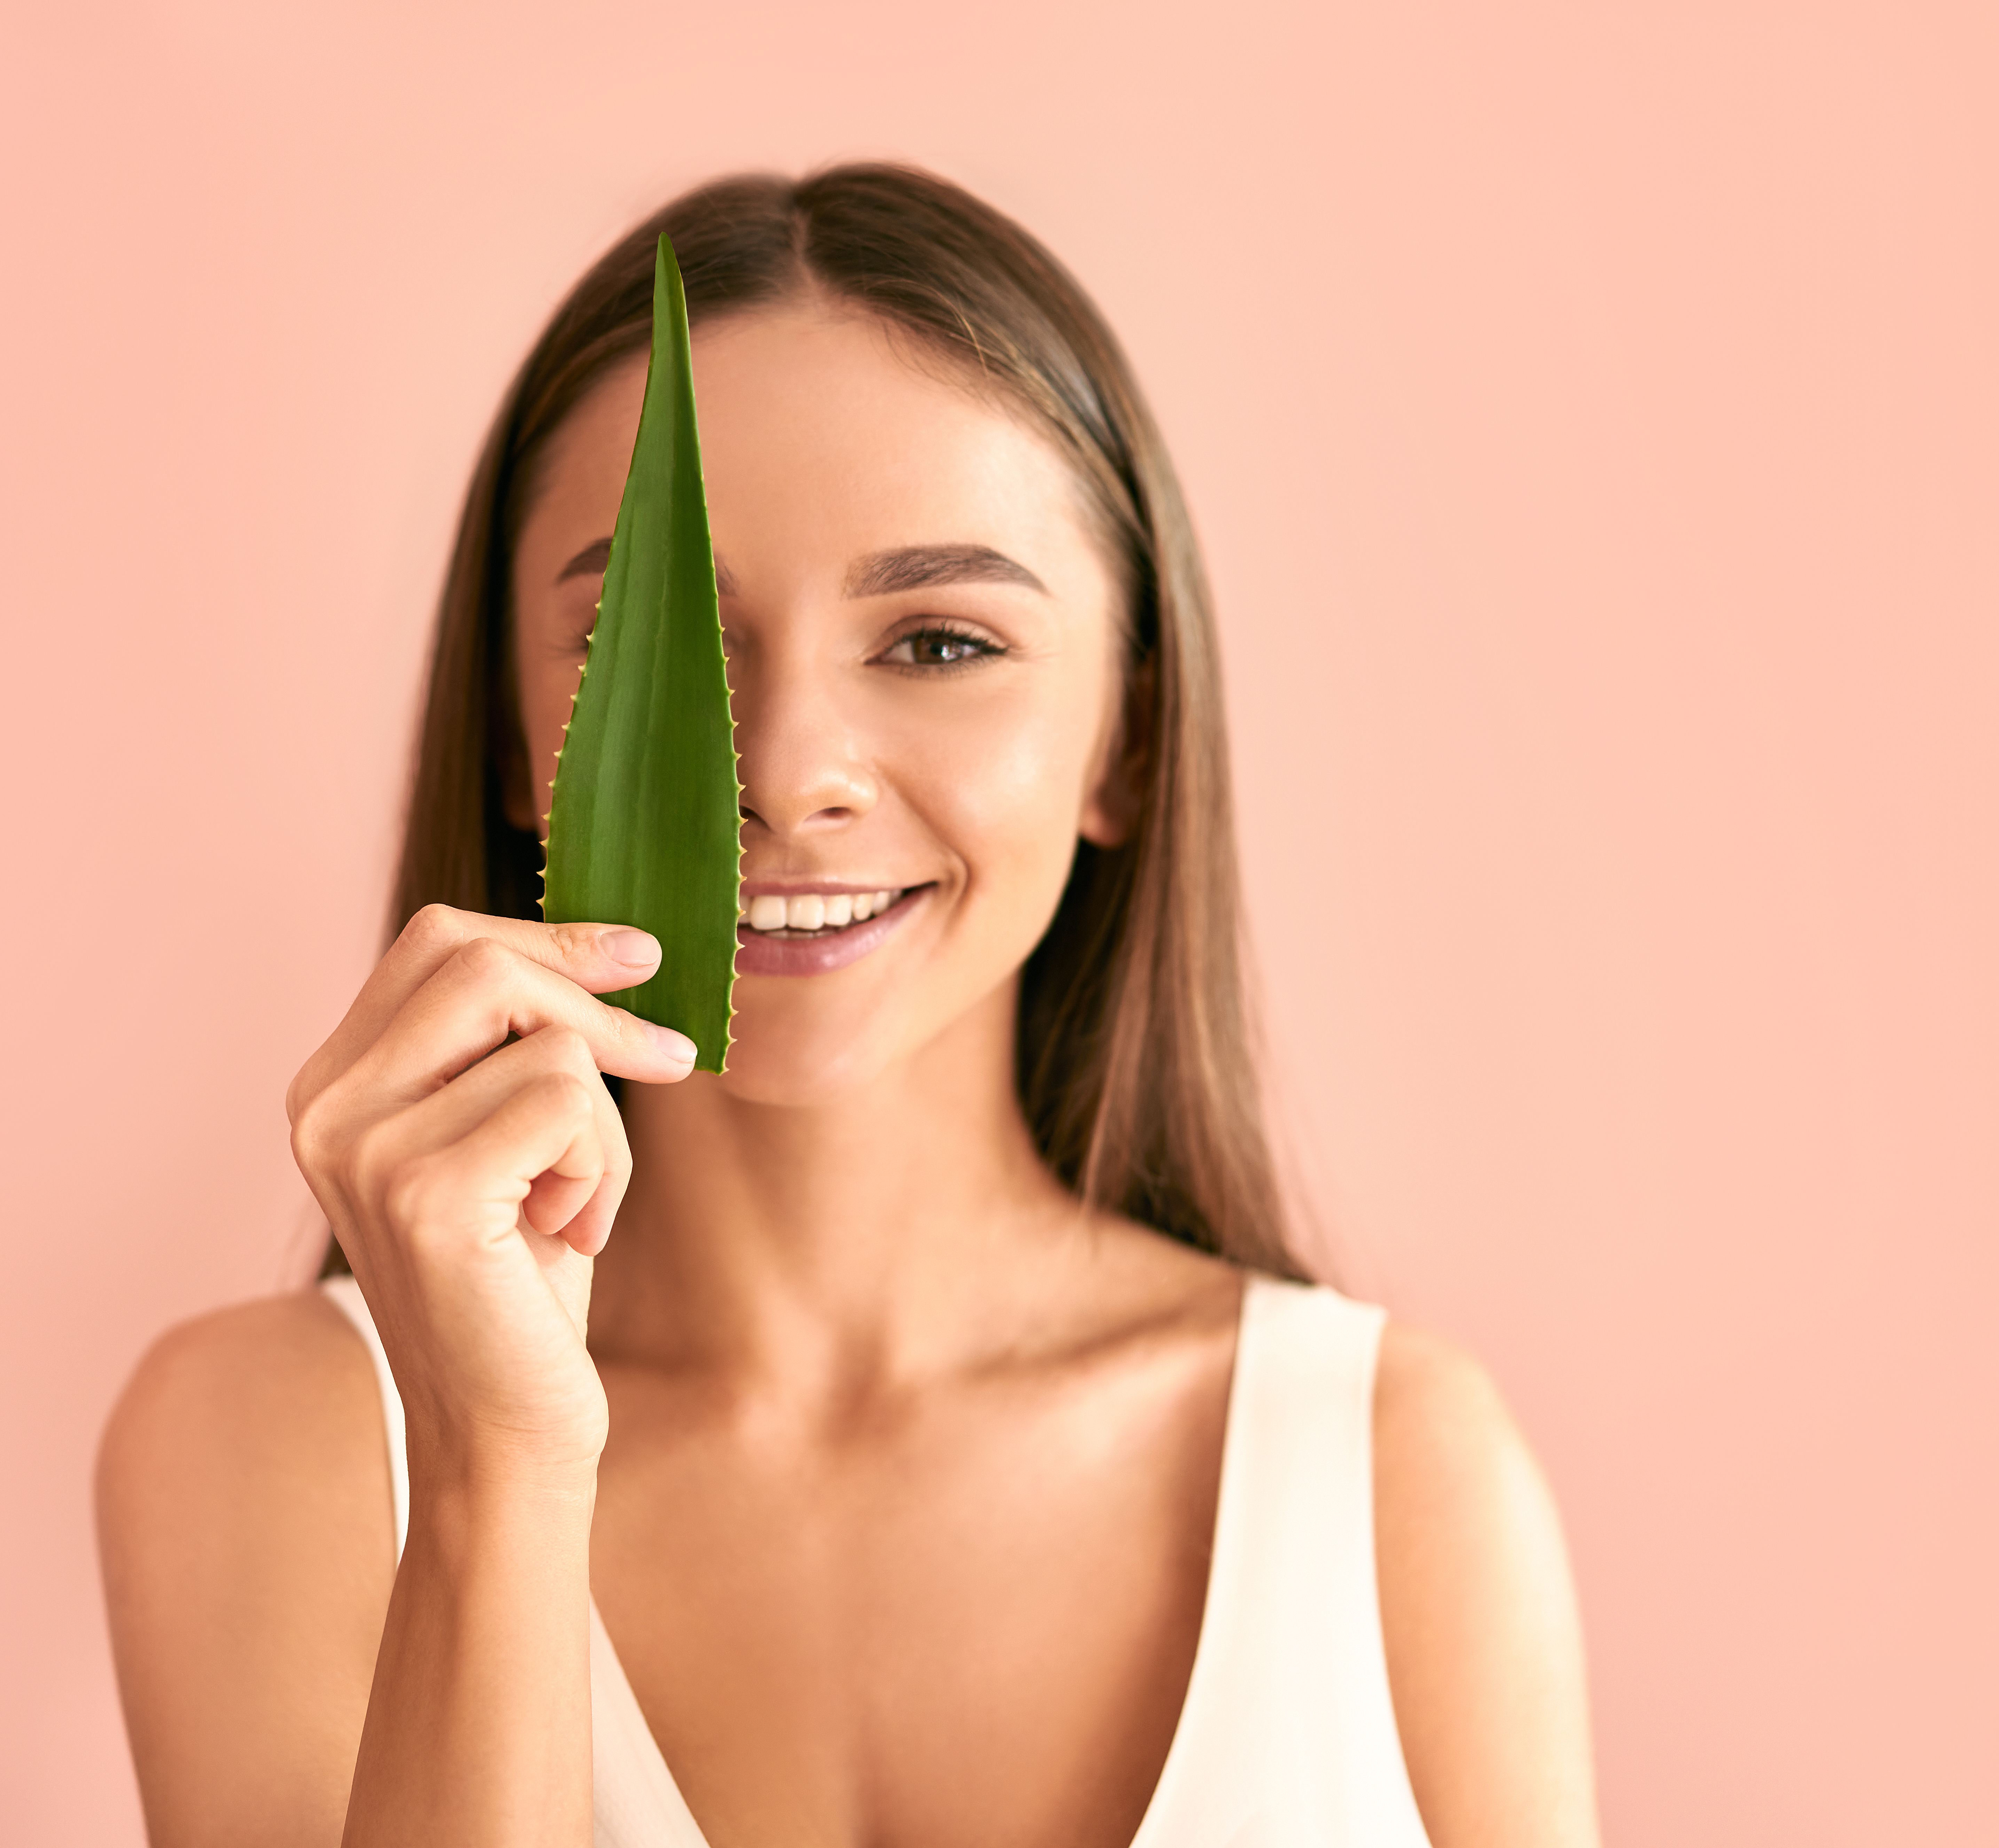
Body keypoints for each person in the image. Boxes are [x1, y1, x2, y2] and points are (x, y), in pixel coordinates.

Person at [96, 165, 1599, 1848]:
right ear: (517, 739)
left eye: (942, 644)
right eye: (661, 651)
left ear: (1123, 741)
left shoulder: (1393, 1468)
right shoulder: (268, 1444)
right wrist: (496, 1474)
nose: (791, 773)